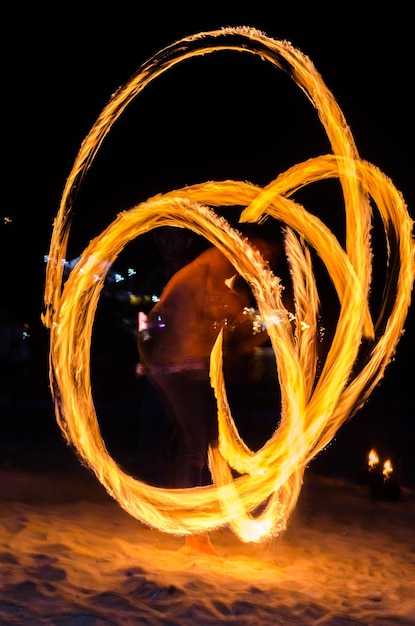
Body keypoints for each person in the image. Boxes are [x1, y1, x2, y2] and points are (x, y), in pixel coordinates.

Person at [137, 221, 289, 555]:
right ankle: (193, 533)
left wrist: (271, 330)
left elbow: (236, 344)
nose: (264, 264)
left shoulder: (226, 275)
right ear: (245, 242)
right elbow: (214, 305)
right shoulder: (217, 258)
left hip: (189, 364)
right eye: (263, 254)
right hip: (174, 362)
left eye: (269, 261)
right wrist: (239, 306)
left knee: (209, 440)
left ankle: (195, 528)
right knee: (195, 440)